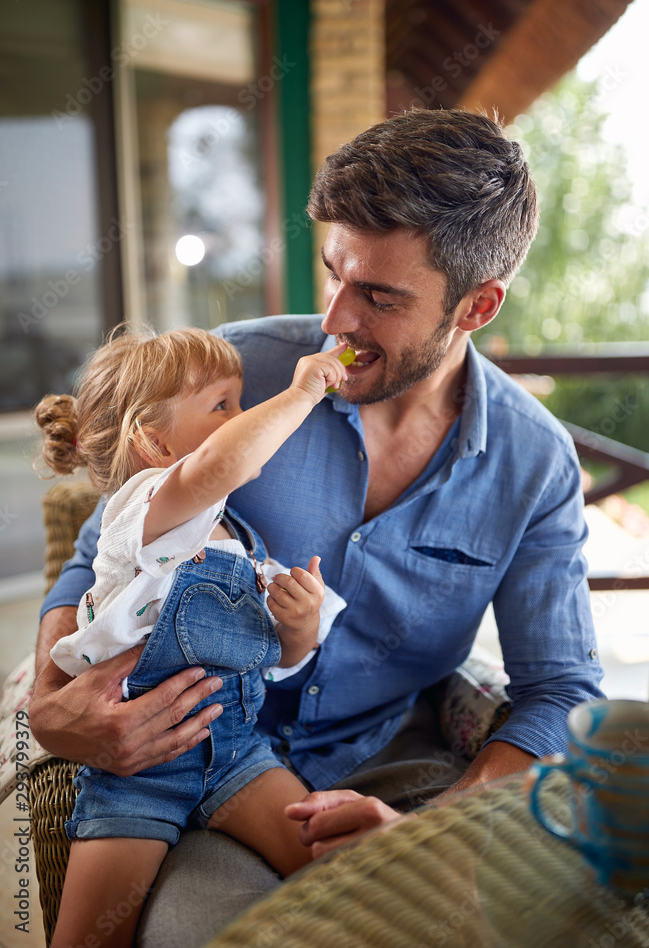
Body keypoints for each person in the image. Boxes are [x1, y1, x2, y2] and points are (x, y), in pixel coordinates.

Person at [31, 108, 605, 947]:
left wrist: (433, 831)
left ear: (476, 305)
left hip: (402, 776)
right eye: (333, 270)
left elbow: (558, 691)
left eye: (378, 296)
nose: (335, 317)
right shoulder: (231, 378)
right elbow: (96, 557)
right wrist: (50, 712)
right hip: (191, 769)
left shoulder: (534, 464)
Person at [34, 326, 349, 948]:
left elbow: (277, 658)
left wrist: (299, 626)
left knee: (335, 867)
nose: (241, 416)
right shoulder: (144, 513)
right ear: (153, 441)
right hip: (138, 769)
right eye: (222, 405)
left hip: (238, 756)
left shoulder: (234, 534)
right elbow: (226, 461)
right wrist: (304, 391)